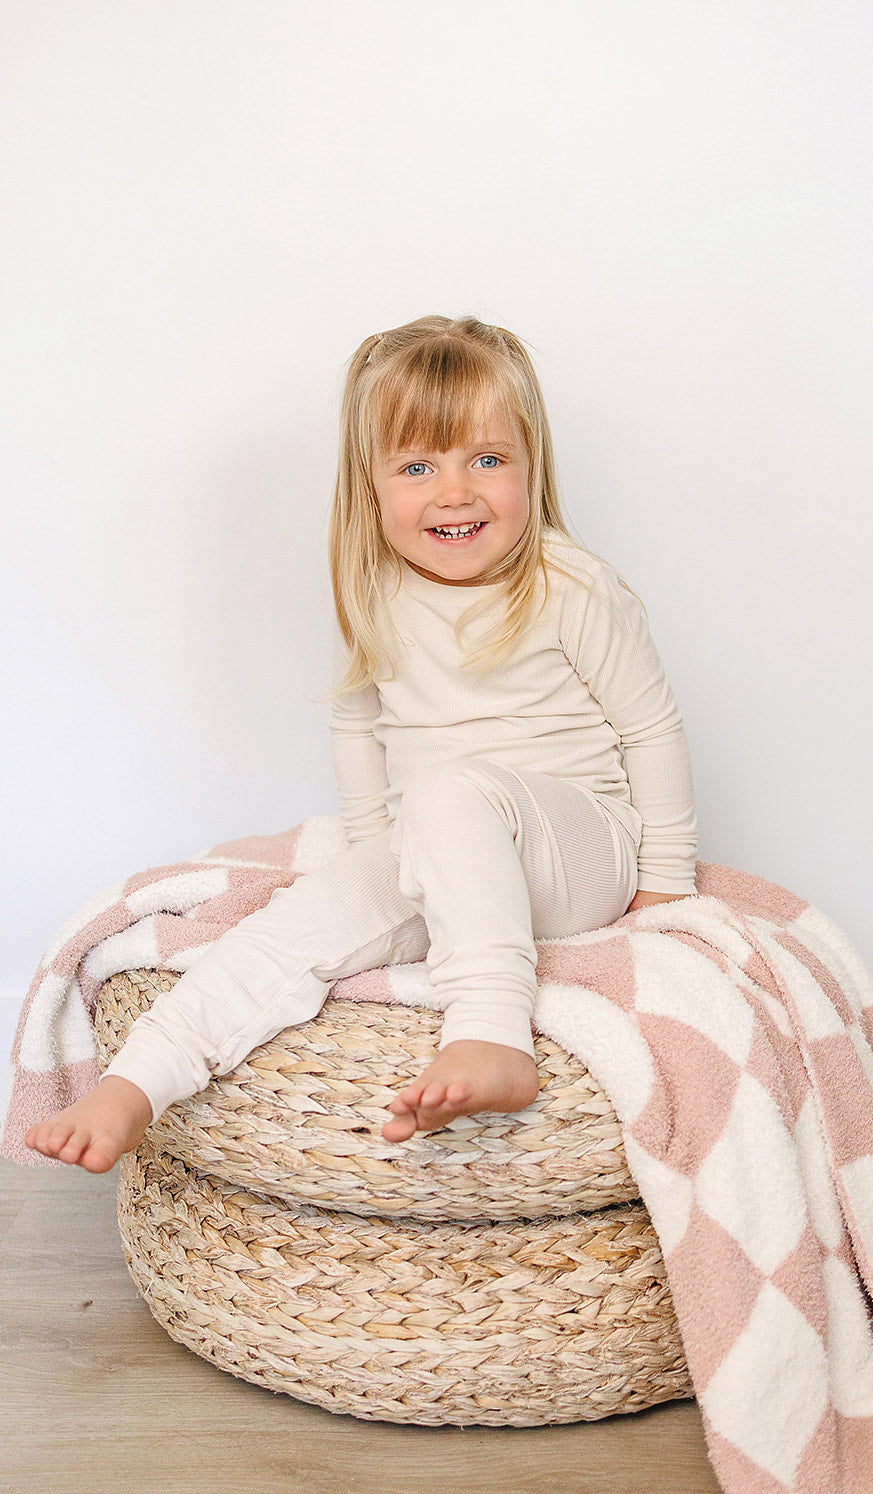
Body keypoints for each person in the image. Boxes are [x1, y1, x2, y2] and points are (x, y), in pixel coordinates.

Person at [25, 314, 699, 1173]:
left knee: (451, 790)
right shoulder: (373, 590)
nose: (454, 493)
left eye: (487, 460)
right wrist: (371, 849)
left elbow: (650, 728)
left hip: (574, 855)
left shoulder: (567, 583)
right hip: (446, 851)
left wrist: (664, 888)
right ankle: (138, 1083)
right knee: (292, 927)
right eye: (417, 468)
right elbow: (358, 729)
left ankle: (491, 1031)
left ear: (532, 466)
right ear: (369, 487)